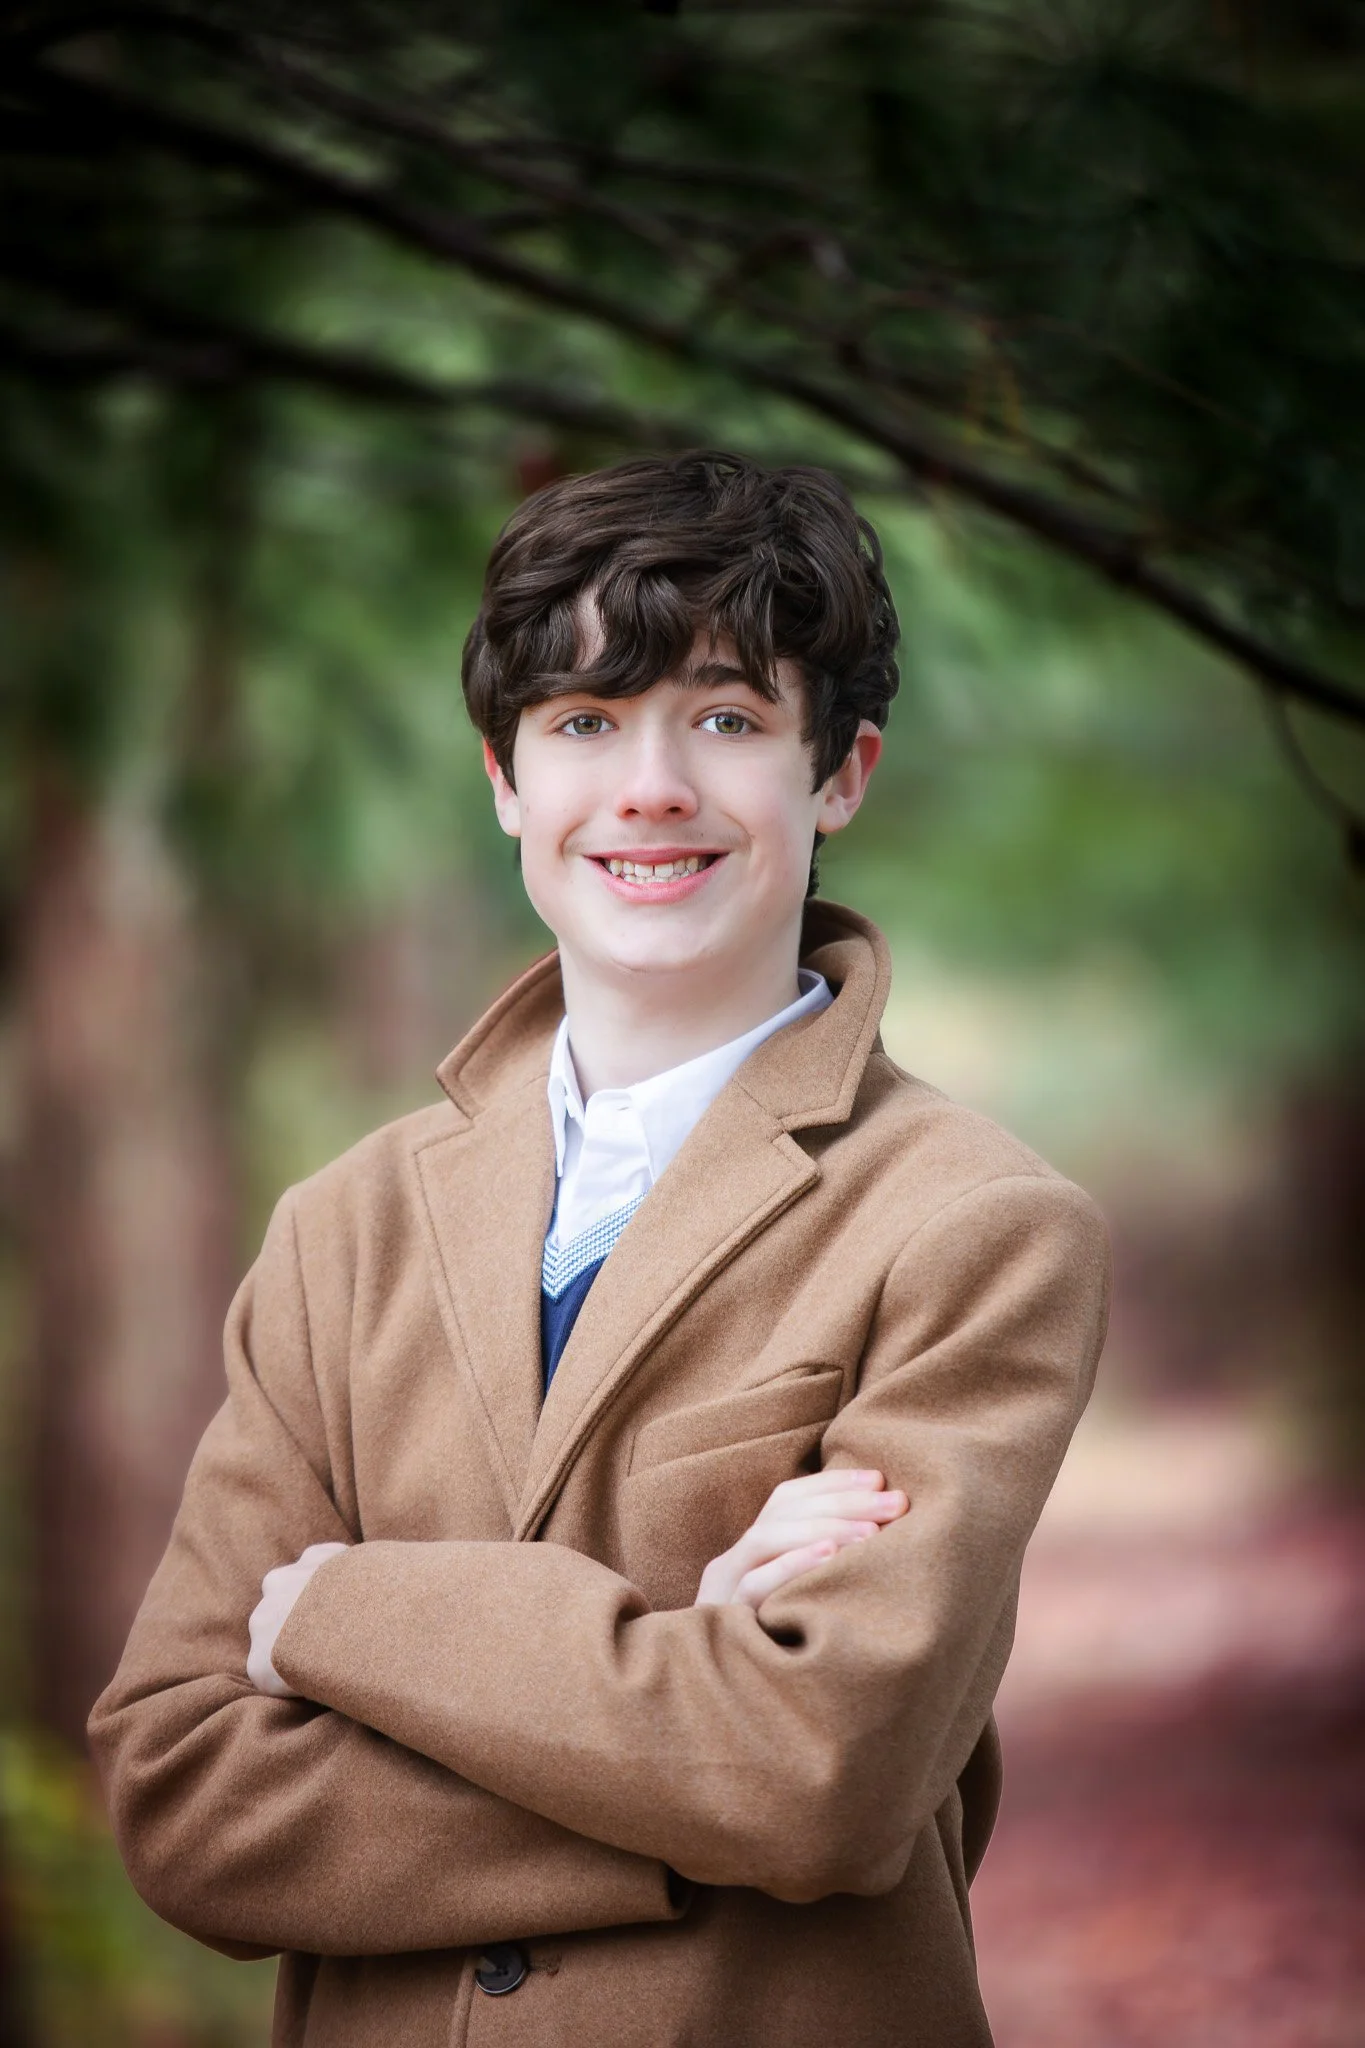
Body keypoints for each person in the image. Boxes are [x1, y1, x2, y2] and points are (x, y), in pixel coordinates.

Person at [90, 450, 1111, 2048]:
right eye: (582, 722)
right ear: (504, 778)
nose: (651, 787)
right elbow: (185, 1798)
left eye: (727, 719)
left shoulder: (976, 1224)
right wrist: (694, 1689)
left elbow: (825, 1774)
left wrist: (344, 1613)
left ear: (840, 774)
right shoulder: (340, 1232)